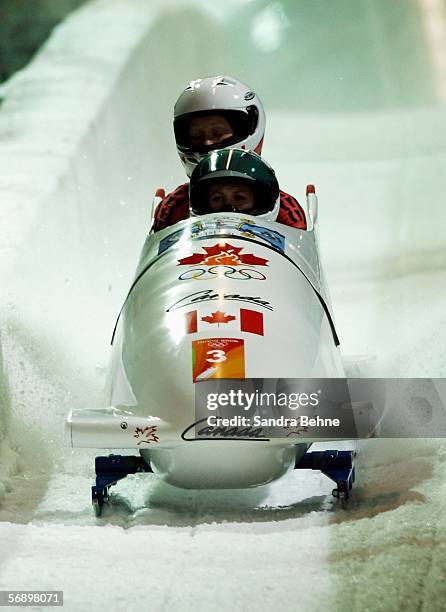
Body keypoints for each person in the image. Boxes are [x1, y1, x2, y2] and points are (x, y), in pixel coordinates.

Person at [152, 75, 307, 232]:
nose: (208, 143)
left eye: (217, 133)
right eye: (197, 137)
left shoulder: (284, 209)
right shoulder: (174, 206)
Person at [189, 149, 280, 222]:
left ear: (260, 201)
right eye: (217, 198)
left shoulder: (289, 220)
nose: (228, 208)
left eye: (239, 197)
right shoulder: (178, 204)